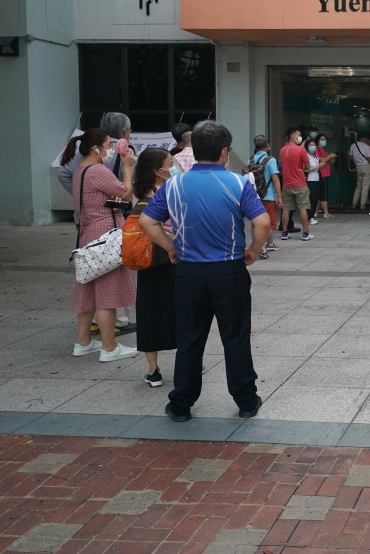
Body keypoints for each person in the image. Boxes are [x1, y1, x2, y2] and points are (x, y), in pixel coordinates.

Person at [139, 120, 270, 423]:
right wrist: (252, 249)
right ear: (224, 151)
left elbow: (147, 222)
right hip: (229, 272)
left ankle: (181, 404)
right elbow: (262, 223)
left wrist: (170, 247)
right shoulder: (238, 184)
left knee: (190, 338)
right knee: (235, 337)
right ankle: (246, 401)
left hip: (188, 273)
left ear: (195, 151)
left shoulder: (174, 184)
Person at [60, 128, 139, 362]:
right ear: (97, 148)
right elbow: (125, 193)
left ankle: (83, 341)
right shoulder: (97, 171)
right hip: (105, 234)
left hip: (87, 233)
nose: (110, 151)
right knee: (107, 292)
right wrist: (127, 167)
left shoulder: (80, 170)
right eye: (107, 146)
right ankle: (109, 347)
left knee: (87, 290)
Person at [130, 148, 177, 386]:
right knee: (180, 310)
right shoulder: (169, 193)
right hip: (172, 256)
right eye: (170, 163)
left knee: (150, 312)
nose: (174, 165)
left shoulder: (139, 194)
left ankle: (153, 370)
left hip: (147, 261)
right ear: (159, 171)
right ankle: (186, 361)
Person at [249, 135, 282, 258]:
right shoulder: (271, 160)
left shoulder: (250, 160)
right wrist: (279, 197)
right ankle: (261, 247)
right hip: (268, 197)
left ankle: (260, 245)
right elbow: (275, 179)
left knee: (255, 223)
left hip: (254, 197)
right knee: (270, 224)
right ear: (267, 146)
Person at [278, 127, 313, 241]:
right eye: (298, 135)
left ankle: (284, 232)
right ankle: (306, 233)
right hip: (300, 183)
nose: (300, 137)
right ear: (293, 136)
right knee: (303, 208)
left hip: (286, 184)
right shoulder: (300, 150)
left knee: (286, 209)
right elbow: (307, 166)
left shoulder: (282, 150)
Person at [314, 134, 338, 219]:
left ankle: (316, 212)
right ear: (317, 140)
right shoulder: (317, 150)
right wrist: (330, 156)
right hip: (322, 173)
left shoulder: (322, 149)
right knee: (323, 194)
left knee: (320, 194)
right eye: (322, 139)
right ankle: (326, 213)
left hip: (325, 173)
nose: (324, 141)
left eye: (325, 139)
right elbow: (322, 161)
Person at [350, 132, 370, 210]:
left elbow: (351, 158)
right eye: (367, 139)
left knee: (358, 186)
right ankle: (362, 205)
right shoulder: (367, 147)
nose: (367, 140)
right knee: (365, 186)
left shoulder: (353, 146)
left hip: (358, 167)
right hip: (366, 166)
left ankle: (354, 204)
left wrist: (357, 162)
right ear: (364, 138)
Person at [303, 136, 322, 225]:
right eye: (311, 145)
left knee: (315, 199)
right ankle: (308, 217)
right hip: (310, 179)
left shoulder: (315, 155)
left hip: (316, 178)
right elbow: (305, 169)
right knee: (310, 199)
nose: (313, 147)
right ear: (307, 146)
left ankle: (311, 216)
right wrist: (315, 167)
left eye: (314, 145)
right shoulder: (305, 156)